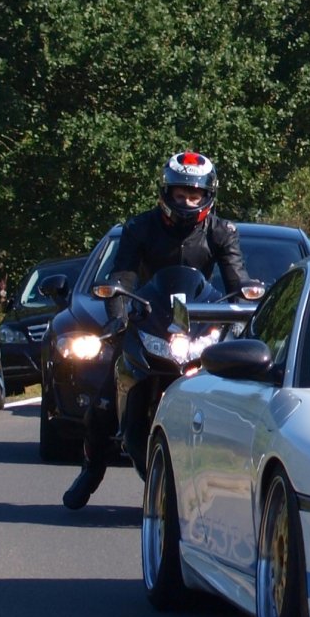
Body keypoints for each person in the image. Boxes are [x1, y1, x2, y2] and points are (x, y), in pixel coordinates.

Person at [63, 150, 259, 510]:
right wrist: (119, 312)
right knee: (103, 404)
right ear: (166, 193)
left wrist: (245, 310)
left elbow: (237, 278)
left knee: (241, 395)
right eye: (180, 194)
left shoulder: (222, 231)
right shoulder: (138, 227)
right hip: (149, 316)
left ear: (207, 196)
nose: (186, 202)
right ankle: (91, 471)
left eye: (194, 195)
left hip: (199, 323)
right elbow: (122, 274)